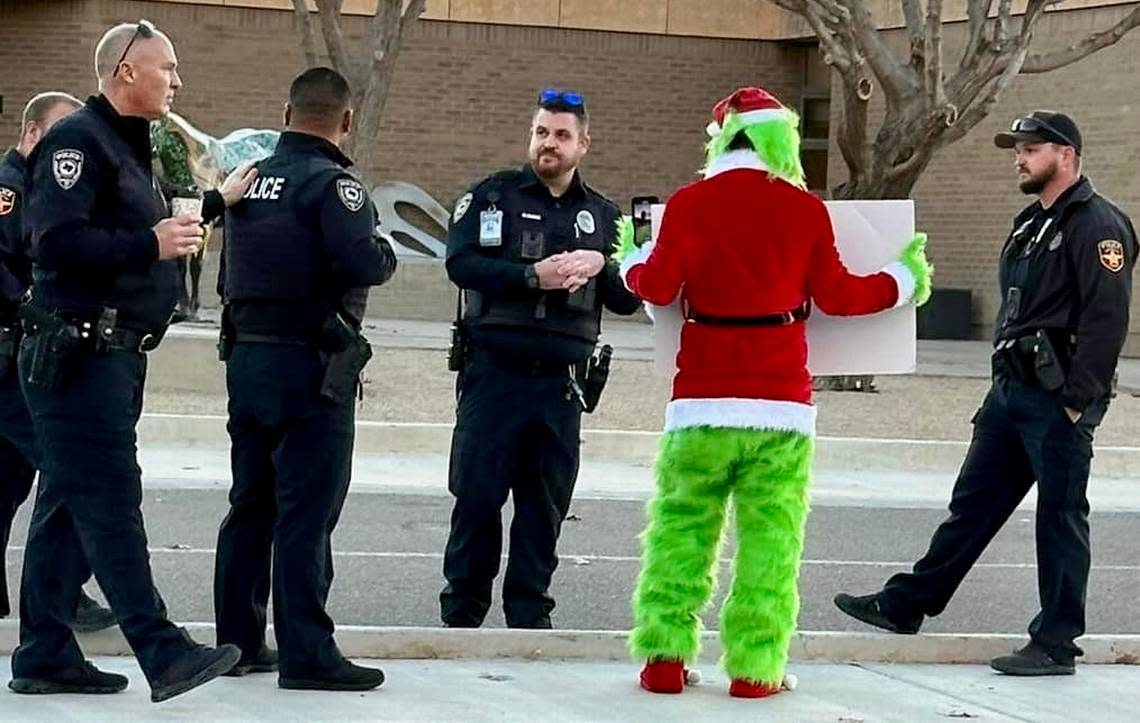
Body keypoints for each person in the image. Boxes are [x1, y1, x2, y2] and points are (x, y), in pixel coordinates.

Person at [616, 86, 931, 698]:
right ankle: (757, 670)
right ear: (778, 141)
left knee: (681, 529)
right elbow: (839, 295)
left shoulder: (687, 204)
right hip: (781, 405)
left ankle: (662, 659)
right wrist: (903, 279)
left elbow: (654, 288)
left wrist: (632, 255)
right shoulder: (804, 209)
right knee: (770, 541)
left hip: (700, 400)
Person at [835, 110, 1137, 677]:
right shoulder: (1031, 222)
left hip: (1058, 400)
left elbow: (1106, 319)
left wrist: (1077, 400)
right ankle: (907, 605)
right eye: (1017, 150)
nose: (1018, 159)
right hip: (1012, 393)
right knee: (971, 508)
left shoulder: (1098, 225)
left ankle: (1056, 643)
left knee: (1060, 518)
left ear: (1065, 155)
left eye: (1030, 150)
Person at [9, 20, 255, 702]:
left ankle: (44, 653)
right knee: (112, 505)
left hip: (113, 356)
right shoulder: (76, 142)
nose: (176, 81)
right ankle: (163, 651)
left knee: (65, 509)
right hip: (79, 355)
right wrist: (149, 245)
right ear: (125, 70)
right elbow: (55, 242)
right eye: (166, 67)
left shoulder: (125, 147)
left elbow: (136, 227)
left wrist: (210, 205)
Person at [213, 66, 396, 691]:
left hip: (248, 361)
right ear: (345, 122)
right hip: (310, 368)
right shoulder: (333, 186)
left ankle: (238, 641)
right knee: (306, 514)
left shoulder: (247, 182)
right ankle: (307, 654)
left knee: (250, 505)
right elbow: (361, 261)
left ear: (285, 114)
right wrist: (386, 250)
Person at [440, 88, 642, 629]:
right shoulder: (491, 197)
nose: (548, 144)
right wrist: (532, 276)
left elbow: (629, 300)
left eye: (561, 135)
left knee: (543, 509)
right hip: (493, 377)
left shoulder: (602, 216)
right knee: (478, 501)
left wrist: (604, 263)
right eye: (541, 133)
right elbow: (460, 264)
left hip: (560, 388)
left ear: (583, 144)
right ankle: (462, 616)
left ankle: (530, 617)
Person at [0, 92, 116, 634]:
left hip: (17, 356)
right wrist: (33, 306)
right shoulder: (10, 189)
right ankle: (62, 595)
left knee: (7, 482)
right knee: (73, 474)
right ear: (32, 135)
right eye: (61, 133)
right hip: (9, 359)